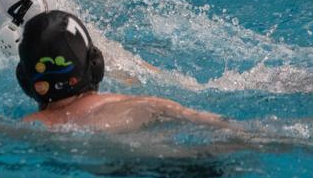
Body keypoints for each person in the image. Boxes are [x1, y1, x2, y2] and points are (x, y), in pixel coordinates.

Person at [15, 10, 231, 133]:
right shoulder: (146, 104)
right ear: (95, 65)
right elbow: (220, 125)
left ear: (25, 79)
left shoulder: (36, 125)